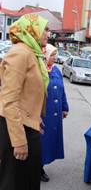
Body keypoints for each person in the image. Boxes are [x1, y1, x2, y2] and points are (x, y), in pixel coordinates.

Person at [0, 14, 49, 190]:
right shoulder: (20, 53)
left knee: (27, 179)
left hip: (28, 125)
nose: (48, 34)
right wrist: (19, 141)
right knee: (14, 182)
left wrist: (36, 118)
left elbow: (27, 95)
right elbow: (9, 100)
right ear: (31, 30)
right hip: (17, 129)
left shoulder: (31, 53)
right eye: (45, 29)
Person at [40, 44, 69, 182]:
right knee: (42, 141)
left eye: (55, 55)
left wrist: (65, 107)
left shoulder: (56, 70)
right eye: (51, 55)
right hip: (43, 114)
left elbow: (62, 90)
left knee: (51, 141)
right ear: (44, 56)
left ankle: (41, 164)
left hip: (55, 113)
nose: (54, 57)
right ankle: (38, 167)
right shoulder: (39, 71)